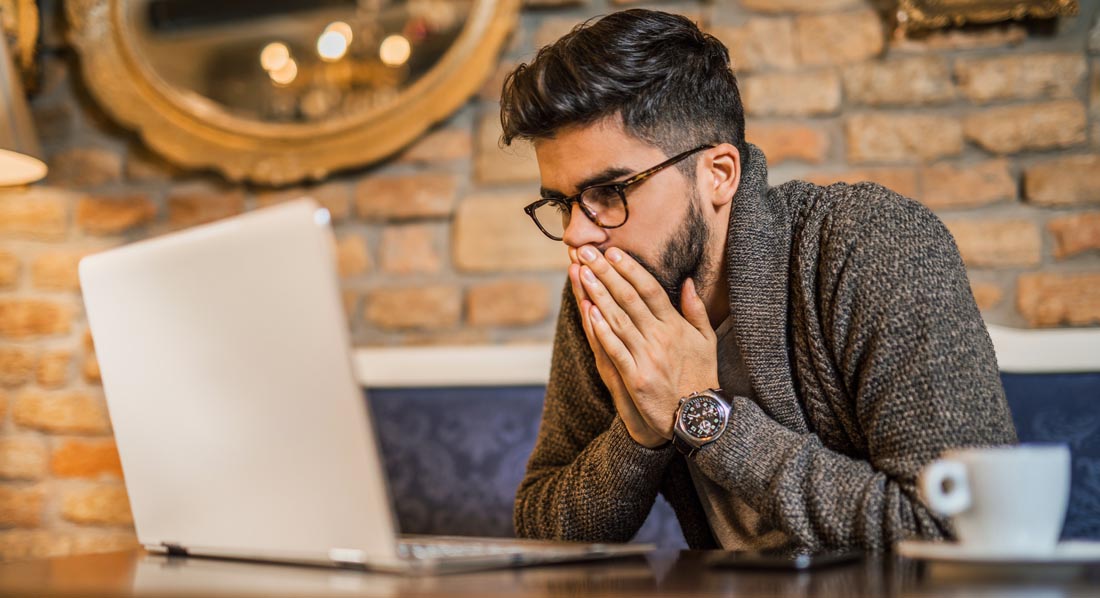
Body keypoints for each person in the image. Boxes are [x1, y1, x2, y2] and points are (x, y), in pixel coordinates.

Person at [500, 9, 1017, 552]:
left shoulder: (873, 243)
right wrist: (639, 435)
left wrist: (704, 415)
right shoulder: (612, 291)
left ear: (718, 174)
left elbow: (969, 528)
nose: (580, 235)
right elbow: (542, 528)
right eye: (562, 204)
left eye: (610, 192)